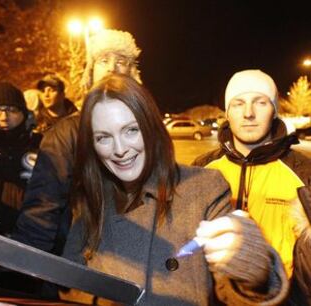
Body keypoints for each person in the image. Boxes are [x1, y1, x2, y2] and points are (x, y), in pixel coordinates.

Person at [60, 74, 288, 305]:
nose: (119, 149)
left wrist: (253, 266)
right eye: (103, 137)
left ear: (151, 127)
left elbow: (233, 293)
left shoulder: (205, 188)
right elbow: (70, 286)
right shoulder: (90, 199)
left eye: (131, 130)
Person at [12, 29, 143, 254]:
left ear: (132, 72)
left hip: (139, 255)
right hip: (84, 263)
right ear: (90, 72)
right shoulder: (66, 133)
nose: (112, 67)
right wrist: (28, 270)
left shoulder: (147, 129)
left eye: (121, 61)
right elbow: (42, 209)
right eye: (104, 60)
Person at [193, 69, 311, 304]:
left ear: (274, 110)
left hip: (284, 299)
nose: (248, 113)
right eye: (238, 103)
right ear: (228, 112)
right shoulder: (202, 168)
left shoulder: (303, 171)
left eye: (260, 102)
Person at [0, 81, 42, 234]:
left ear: (24, 113)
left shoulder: (43, 146)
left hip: (38, 234)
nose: (4, 117)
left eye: (12, 110)